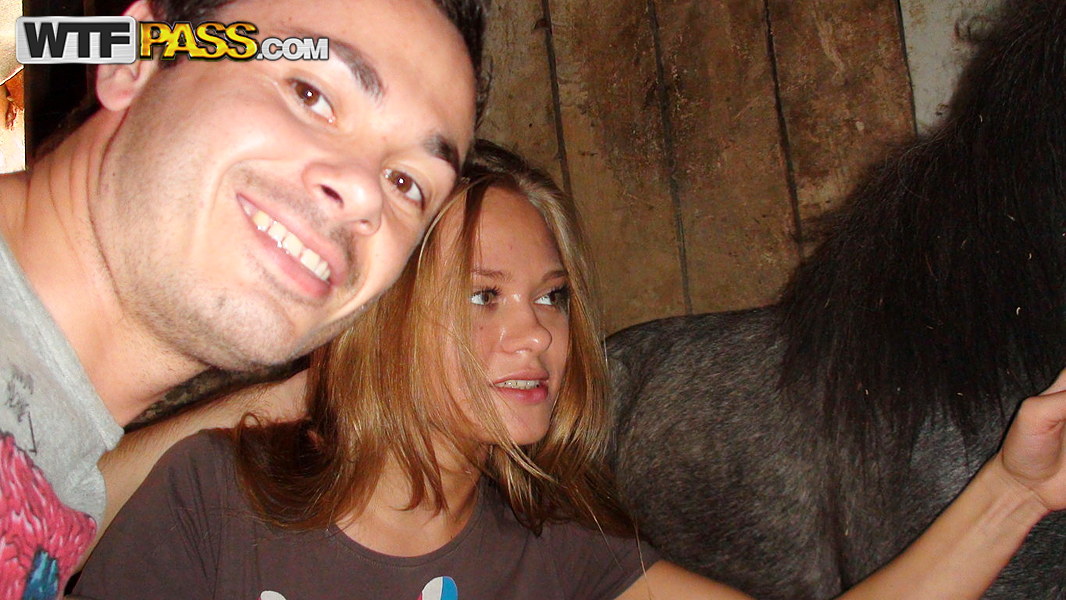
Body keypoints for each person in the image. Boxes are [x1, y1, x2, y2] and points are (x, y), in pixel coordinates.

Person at [75, 141, 1066, 599]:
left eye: (552, 298)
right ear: (384, 316)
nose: (539, 336)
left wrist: (1018, 490)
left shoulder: (560, 558)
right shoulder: (216, 498)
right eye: (484, 296)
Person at [0, 0, 485, 595]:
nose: (365, 194)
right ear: (134, 58)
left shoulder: (60, 478)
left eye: (406, 183)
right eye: (310, 93)